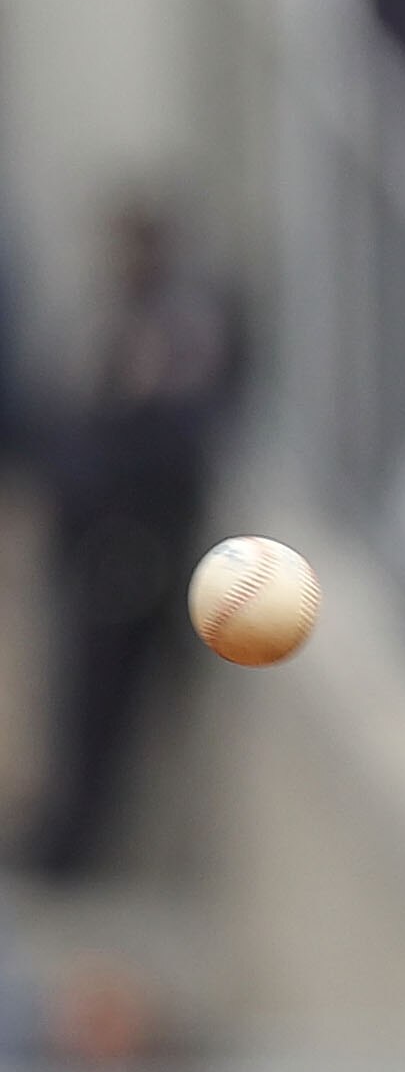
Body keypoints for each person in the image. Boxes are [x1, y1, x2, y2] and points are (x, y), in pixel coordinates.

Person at [33, 203, 240, 886]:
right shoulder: (108, 320)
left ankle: (133, 858)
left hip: (148, 544)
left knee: (140, 709)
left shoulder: (178, 330)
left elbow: (172, 443)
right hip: (97, 541)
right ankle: (72, 845)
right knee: (84, 706)